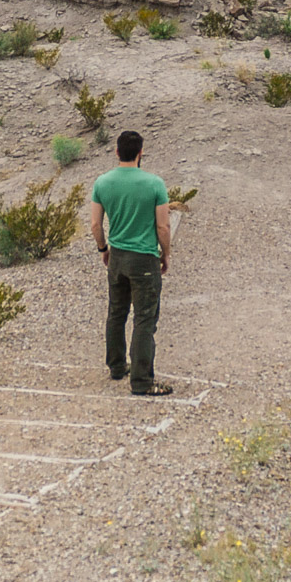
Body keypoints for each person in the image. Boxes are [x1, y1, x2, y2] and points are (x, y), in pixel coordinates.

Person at [88, 130, 172, 396]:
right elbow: (163, 225)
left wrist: (104, 248)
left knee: (116, 313)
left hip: (117, 256)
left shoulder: (102, 182)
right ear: (140, 152)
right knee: (145, 319)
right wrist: (165, 253)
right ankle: (142, 380)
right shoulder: (155, 184)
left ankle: (116, 365)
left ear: (116, 152)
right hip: (144, 257)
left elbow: (94, 224)